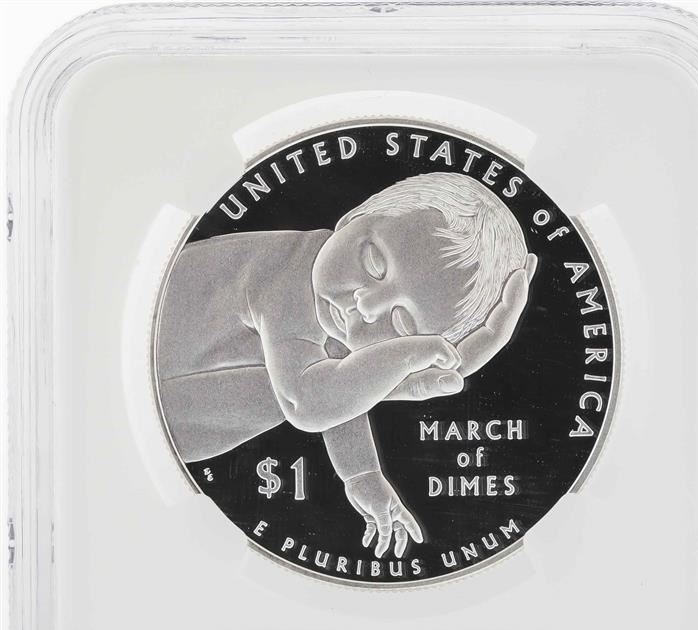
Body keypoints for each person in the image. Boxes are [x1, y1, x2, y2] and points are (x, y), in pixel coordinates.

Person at [156, 173, 537, 556]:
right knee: (300, 396)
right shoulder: (285, 270)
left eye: (402, 325)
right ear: (354, 216)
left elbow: (336, 381)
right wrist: (404, 360)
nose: (366, 305)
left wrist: (362, 474)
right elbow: (307, 401)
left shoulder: (329, 322)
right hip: (147, 367)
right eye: (374, 261)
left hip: (167, 401)